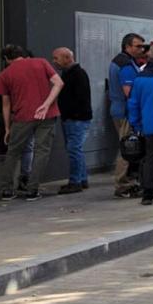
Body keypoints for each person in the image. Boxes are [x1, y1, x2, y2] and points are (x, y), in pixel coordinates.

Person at [0, 45, 63, 200]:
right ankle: (32, 189)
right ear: (22, 54)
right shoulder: (41, 62)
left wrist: (7, 127)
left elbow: (6, 105)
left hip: (22, 116)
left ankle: (7, 190)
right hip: (47, 114)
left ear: (7, 59)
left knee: (13, 152)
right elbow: (58, 83)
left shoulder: (4, 75)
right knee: (41, 152)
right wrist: (46, 104)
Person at [128, 45, 153, 205]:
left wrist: (136, 124)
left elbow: (133, 104)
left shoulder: (140, 78)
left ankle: (148, 194)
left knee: (150, 158)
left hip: (148, 125)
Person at [109, 33, 146, 196]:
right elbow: (129, 92)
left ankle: (127, 182)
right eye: (138, 46)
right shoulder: (125, 65)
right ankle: (123, 185)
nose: (141, 49)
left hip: (121, 109)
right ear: (127, 47)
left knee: (128, 147)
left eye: (142, 46)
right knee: (128, 148)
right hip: (126, 112)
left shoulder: (122, 61)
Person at [51, 47, 92, 195]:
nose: (54, 61)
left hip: (76, 118)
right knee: (76, 149)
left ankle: (75, 181)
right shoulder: (71, 73)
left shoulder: (76, 74)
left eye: (56, 58)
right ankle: (81, 178)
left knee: (74, 149)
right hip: (74, 117)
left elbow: (79, 98)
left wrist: (71, 113)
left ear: (67, 58)